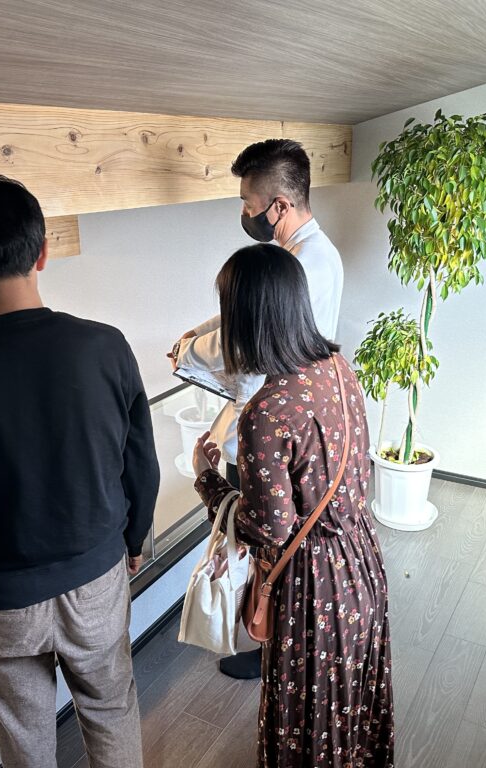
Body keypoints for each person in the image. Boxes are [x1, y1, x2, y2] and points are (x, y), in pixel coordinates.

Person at [0, 175, 159, 768]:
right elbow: (138, 461)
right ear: (42, 251)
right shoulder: (106, 347)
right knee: (111, 709)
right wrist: (133, 539)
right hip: (96, 575)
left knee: (24, 734)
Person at [191, 243, 393, 767]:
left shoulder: (267, 410)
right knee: (349, 712)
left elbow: (269, 530)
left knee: (307, 720)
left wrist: (207, 480)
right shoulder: (338, 368)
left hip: (314, 588)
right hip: (360, 564)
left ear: (247, 318)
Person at [171, 137, 344, 679]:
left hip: (271, 428)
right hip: (287, 425)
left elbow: (247, 343)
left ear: (280, 205)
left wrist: (188, 352)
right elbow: (242, 315)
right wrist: (196, 333)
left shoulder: (304, 263)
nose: (245, 214)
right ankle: (266, 635)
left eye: (249, 204)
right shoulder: (306, 256)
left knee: (261, 534)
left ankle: (265, 638)